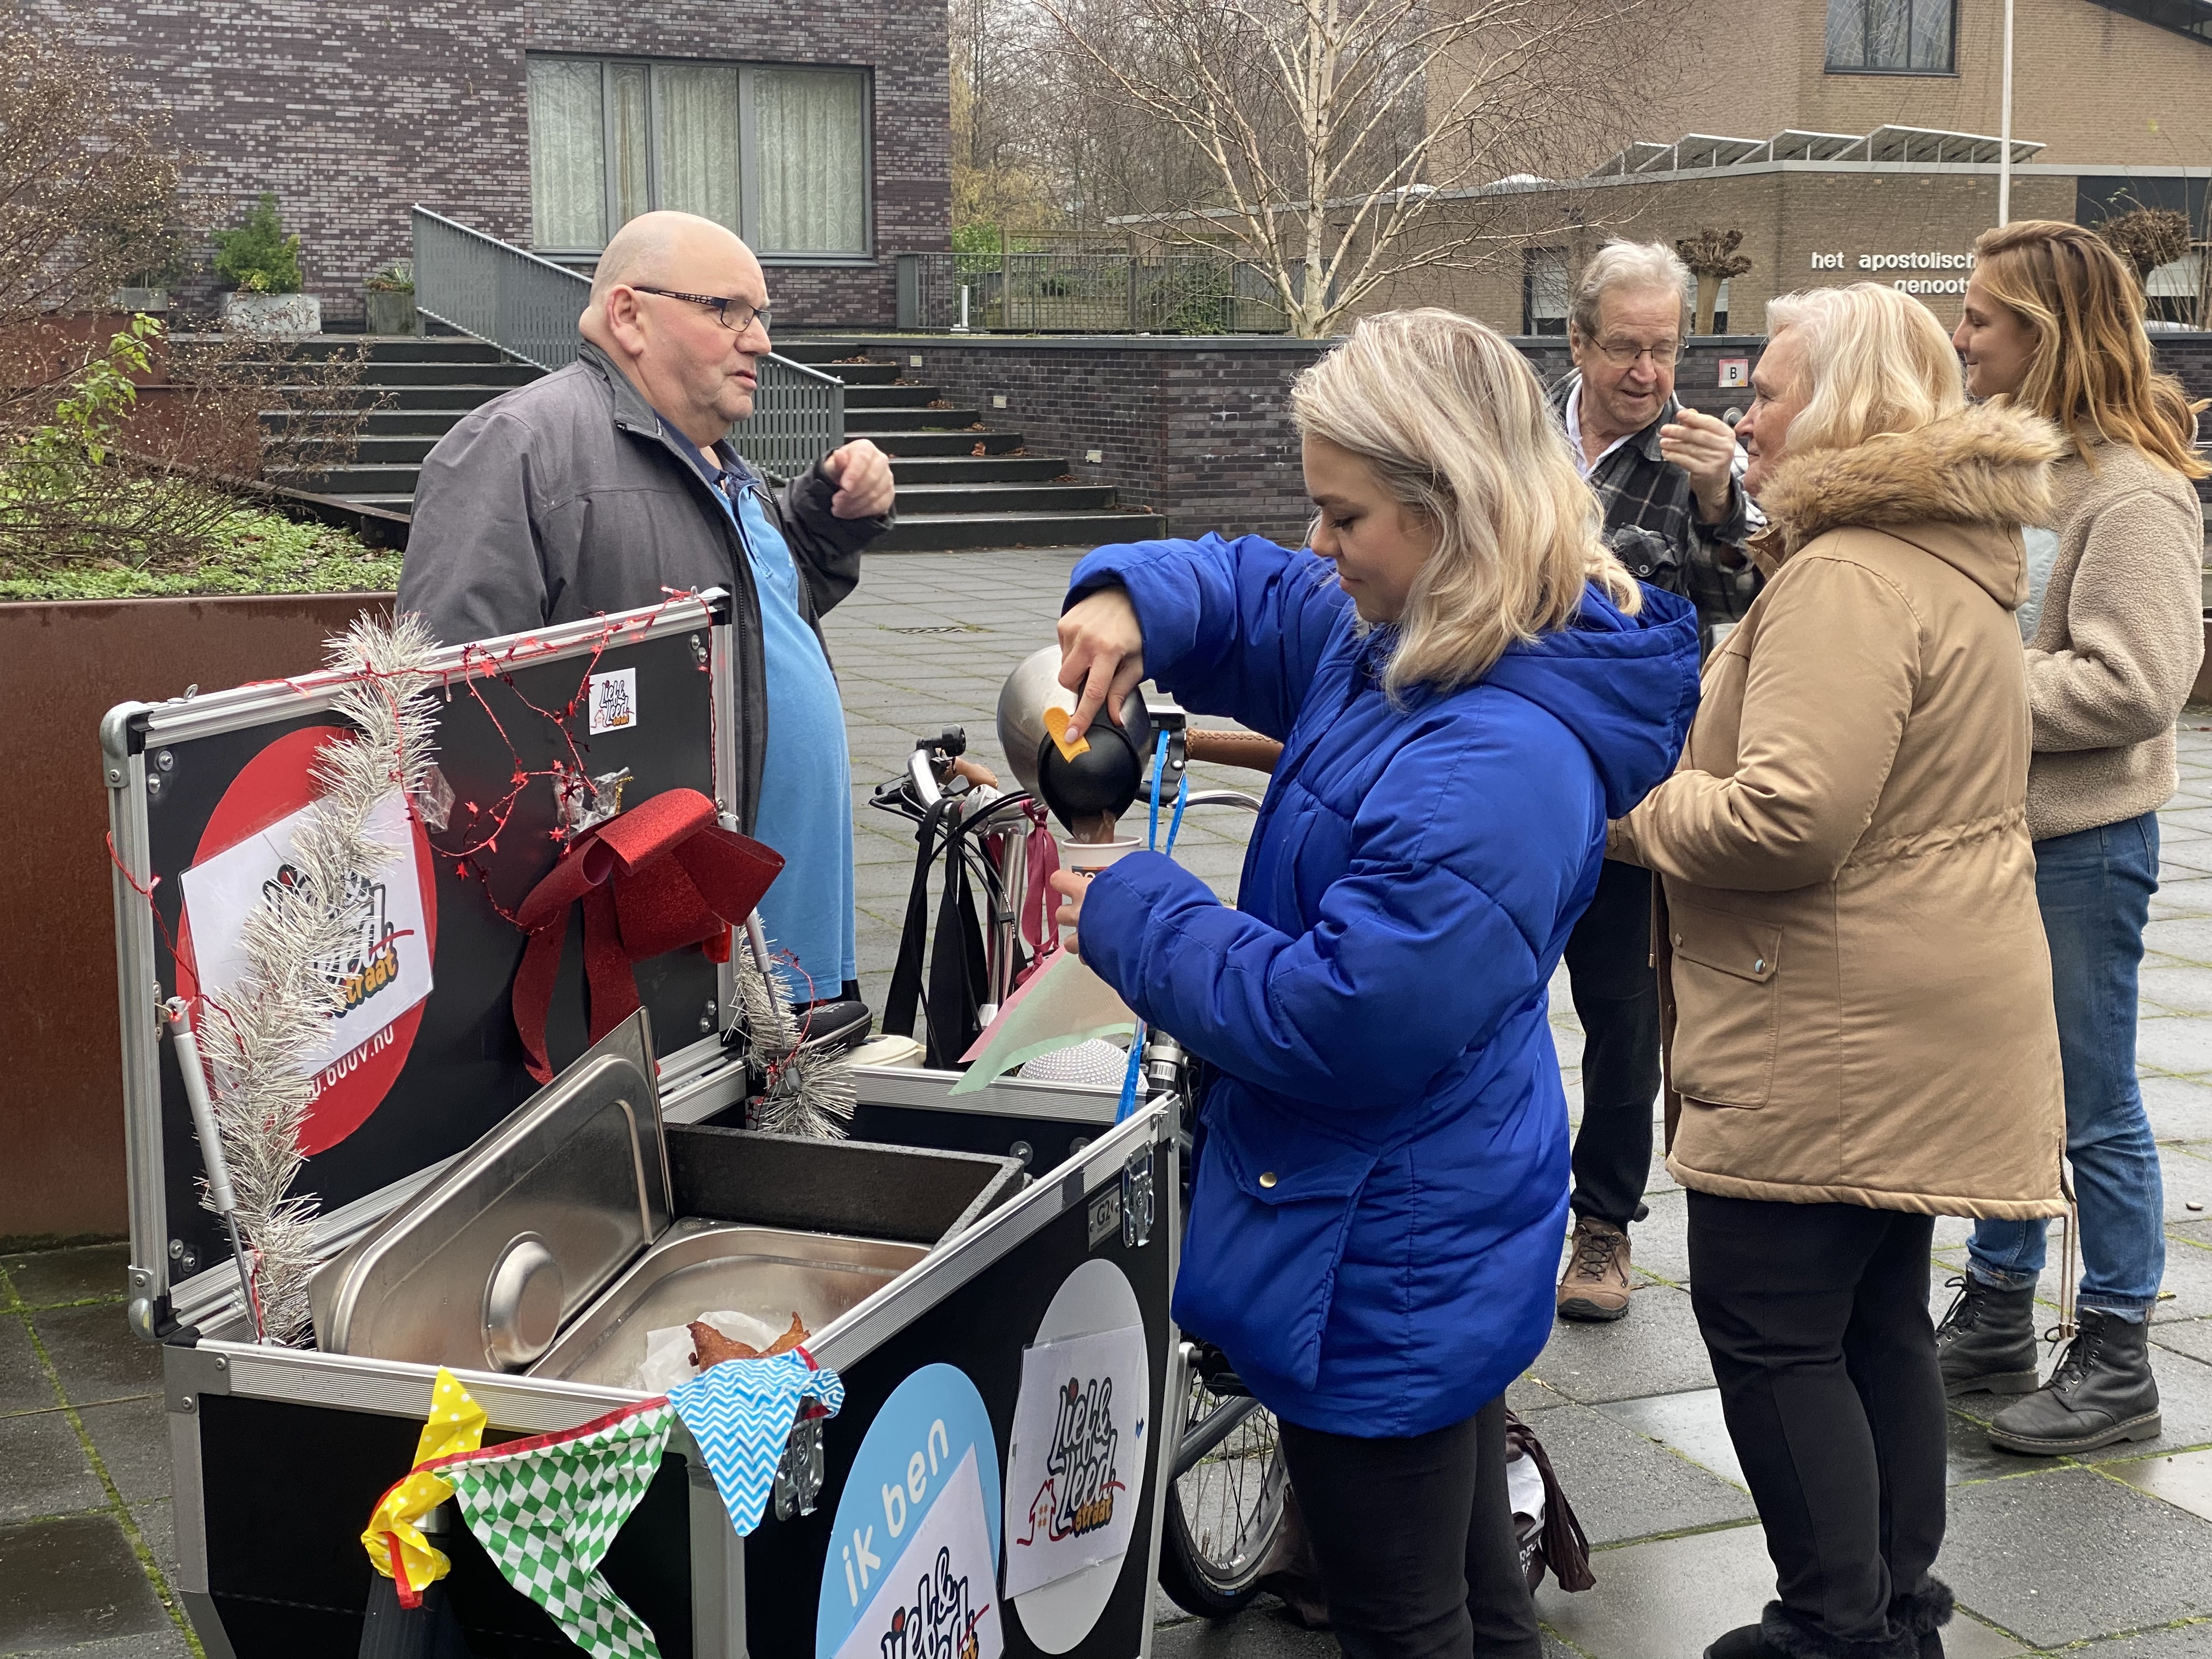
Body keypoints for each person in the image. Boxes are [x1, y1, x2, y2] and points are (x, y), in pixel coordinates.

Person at [1049, 309, 1702, 1659]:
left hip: (1379, 1240)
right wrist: (1131, 597)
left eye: (1345, 516)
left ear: (1446, 506)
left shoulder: (1495, 753)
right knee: (1470, 1591)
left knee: (1401, 1620)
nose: (1321, 543)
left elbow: (1346, 1019)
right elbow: (1252, 590)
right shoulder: (1411, 631)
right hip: (1411, 1211)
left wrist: (1133, 908)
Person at [1609, 283, 2068, 1659]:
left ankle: (1832, 1629)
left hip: (1832, 1020)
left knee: (1772, 1331)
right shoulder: (1937, 552)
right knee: (1874, 1324)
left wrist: (1630, 813)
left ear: (1850, 403)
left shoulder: (1850, 574)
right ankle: (1891, 1610)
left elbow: (1787, 820)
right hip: (1916, 1001)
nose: (1741, 412)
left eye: (1769, 390)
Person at [398, 211, 894, 1024]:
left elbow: (758, 613)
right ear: (628, 315)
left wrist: (823, 516)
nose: (761, 340)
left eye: (761, 314)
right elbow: (453, 716)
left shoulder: (721, 464)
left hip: (798, 957)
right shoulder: (516, 449)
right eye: (727, 310)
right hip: (669, 982)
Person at [1937, 219, 2207, 1455]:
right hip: (1994, 836)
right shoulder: (2019, 470)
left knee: (2092, 1101)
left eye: (1982, 316)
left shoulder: (2134, 493)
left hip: (2082, 849)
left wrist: (1955, 686)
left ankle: (2117, 1353)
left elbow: (2136, 685)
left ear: (2046, 335)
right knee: (2003, 1086)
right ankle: (1998, 1310)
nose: (1961, 335)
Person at [1549, 240, 1763, 1324]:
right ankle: (1477, 1212)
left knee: (1624, 1018)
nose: (1647, 372)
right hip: (1504, 771)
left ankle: (1604, 1226)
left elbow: (1750, 605)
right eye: (1626, 348)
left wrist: (1725, 502)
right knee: (1473, 995)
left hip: (1631, 791)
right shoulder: (1515, 436)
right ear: (1578, 340)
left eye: (1665, 349)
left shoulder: (1697, 460)